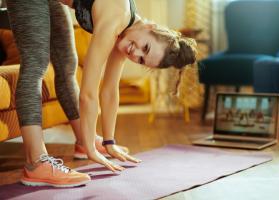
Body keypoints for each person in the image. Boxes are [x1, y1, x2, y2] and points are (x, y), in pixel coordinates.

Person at [6, 0, 197, 188]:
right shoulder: (115, 18)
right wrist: (91, 150)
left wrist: (109, 141)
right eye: (145, 47)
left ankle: (83, 139)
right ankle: (36, 163)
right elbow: (89, 93)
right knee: (35, 66)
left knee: (66, 68)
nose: (135, 52)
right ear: (150, 26)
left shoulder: (129, 30)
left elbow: (110, 90)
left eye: (140, 59)